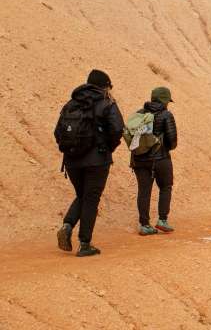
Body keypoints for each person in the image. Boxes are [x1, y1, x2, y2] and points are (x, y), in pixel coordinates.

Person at [54, 69, 124, 257]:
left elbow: (57, 132)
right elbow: (117, 129)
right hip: (97, 160)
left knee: (82, 194)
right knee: (91, 199)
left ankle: (68, 225)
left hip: (71, 161)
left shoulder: (71, 104)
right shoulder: (107, 102)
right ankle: (85, 243)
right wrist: (107, 147)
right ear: (105, 86)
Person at [130, 87, 179, 235]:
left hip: (139, 160)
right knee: (166, 187)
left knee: (144, 191)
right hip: (160, 159)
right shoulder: (166, 115)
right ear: (165, 100)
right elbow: (172, 141)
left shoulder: (139, 114)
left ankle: (144, 225)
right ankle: (162, 220)